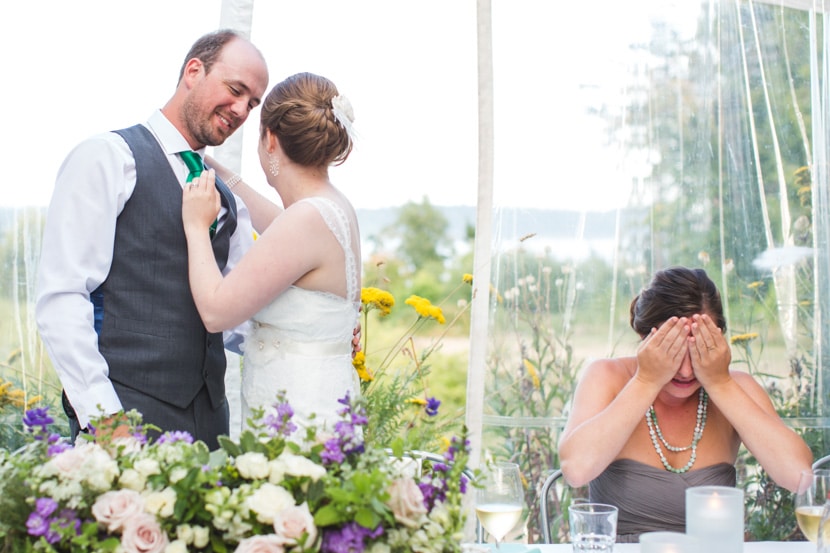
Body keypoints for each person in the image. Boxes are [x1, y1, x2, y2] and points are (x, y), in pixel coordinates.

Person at [35, 29, 270, 450]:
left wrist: (305, 330)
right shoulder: (109, 157)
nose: (240, 110)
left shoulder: (229, 199)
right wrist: (105, 420)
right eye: (235, 90)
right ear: (193, 71)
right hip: (126, 418)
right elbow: (63, 297)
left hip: (211, 426)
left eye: (252, 103)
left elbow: (239, 314)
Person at [557, 266, 812, 542]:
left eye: (700, 350)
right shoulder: (607, 377)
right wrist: (646, 381)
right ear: (645, 338)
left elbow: (799, 477)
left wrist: (720, 384)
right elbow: (576, 470)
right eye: (673, 350)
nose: (688, 372)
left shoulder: (734, 387)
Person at [181, 72, 361, 433]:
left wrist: (197, 226)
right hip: (317, 401)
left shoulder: (306, 219)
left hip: (296, 415)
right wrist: (213, 169)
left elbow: (216, 313)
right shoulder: (330, 207)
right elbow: (278, 223)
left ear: (270, 139)